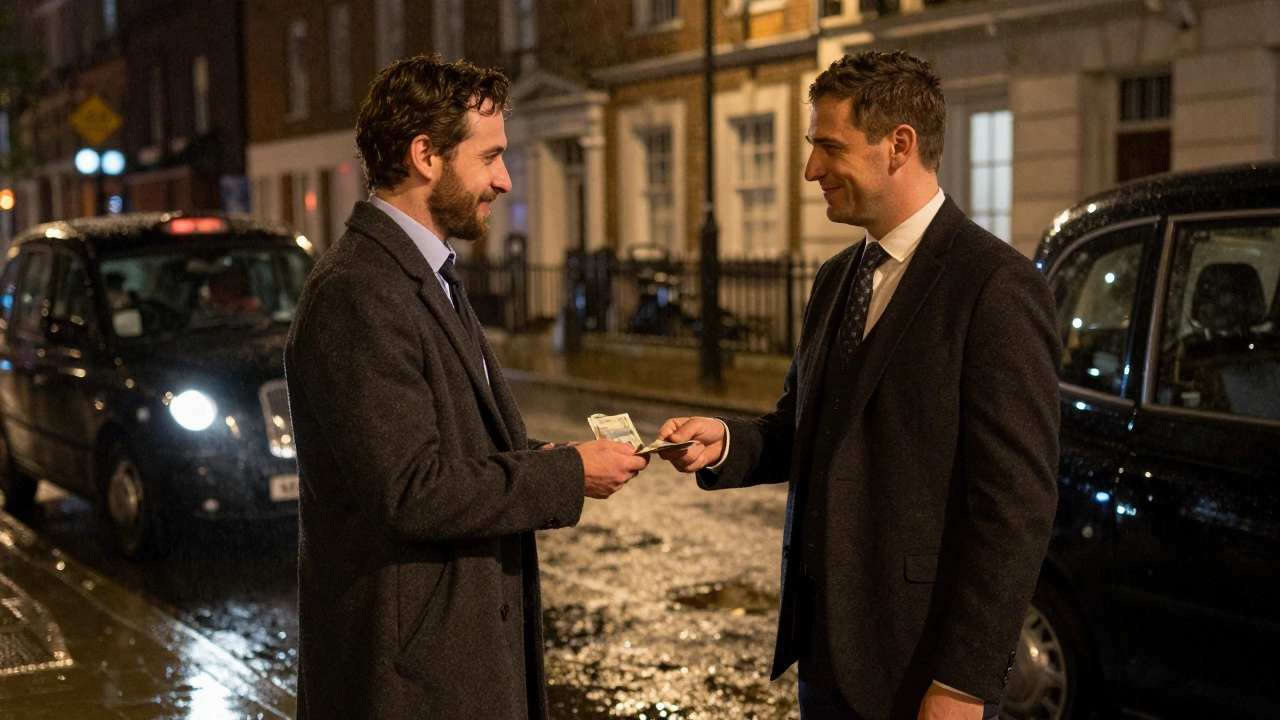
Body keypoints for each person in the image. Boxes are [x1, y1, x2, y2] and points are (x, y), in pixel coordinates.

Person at [657, 51, 1061, 720]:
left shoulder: (996, 287)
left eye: (828, 146)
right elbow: (805, 430)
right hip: (824, 657)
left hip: (921, 667)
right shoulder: (836, 279)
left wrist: (965, 681)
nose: (812, 169)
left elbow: (1015, 507)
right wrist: (726, 443)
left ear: (898, 145)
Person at [285, 56, 648, 719]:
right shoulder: (359, 292)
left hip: (455, 666)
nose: (504, 180)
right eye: (490, 158)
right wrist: (566, 475)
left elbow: (445, 443)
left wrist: (539, 457)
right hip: (410, 684)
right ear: (426, 155)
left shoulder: (425, 275)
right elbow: (410, 492)